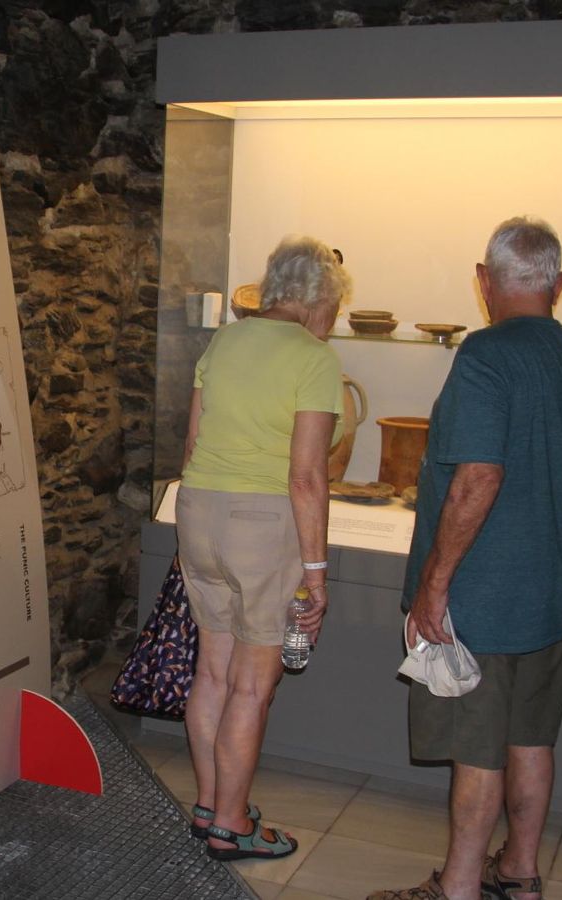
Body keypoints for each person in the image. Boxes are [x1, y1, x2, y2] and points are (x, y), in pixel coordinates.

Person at [370, 218, 562, 900]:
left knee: (475, 751)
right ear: (559, 285)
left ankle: (458, 890)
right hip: (546, 599)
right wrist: (561, 560)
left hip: (480, 601)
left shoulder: (484, 357)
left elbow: (478, 477)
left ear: (485, 283)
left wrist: (434, 588)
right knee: (532, 738)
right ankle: (520, 872)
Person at [176, 235, 347, 861]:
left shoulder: (225, 339)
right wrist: (317, 575)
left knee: (212, 672)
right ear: (319, 297)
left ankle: (208, 804)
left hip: (197, 511)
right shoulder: (314, 359)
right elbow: (306, 476)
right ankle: (231, 825)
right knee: (251, 686)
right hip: (263, 523)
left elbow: (192, 442)